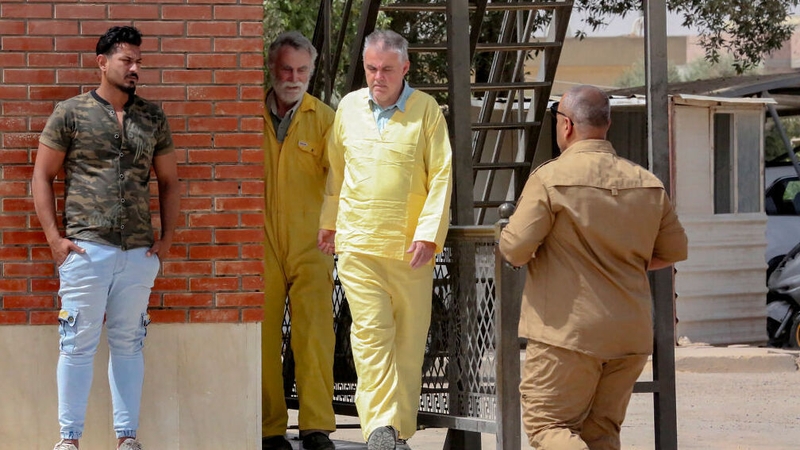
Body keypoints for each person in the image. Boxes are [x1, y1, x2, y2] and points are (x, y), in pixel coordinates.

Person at [499, 85, 688, 450]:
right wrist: (623, 260)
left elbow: (516, 249)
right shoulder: (647, 183)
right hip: (629, 335)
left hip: (567, 334)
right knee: (601, 434)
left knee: (547, 426)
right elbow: (673, 250)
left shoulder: (549, 178)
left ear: (566, 125)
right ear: (608, 123)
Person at [31, 26, 179, 450]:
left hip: (137, 251)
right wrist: (55, 242)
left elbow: (169, 181)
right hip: (85, 248)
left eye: (139, 62)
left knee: (129, 346)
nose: (135, 69)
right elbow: (41, 176)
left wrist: (165, 241)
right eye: (126, 60)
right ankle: (68, 440)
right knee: (76, 344)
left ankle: (127, 438)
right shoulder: (70, 113)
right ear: (102, 62)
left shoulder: (152, 117)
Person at [318, 29, 453, 450]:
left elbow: (442, 175)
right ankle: (378, 427)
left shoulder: (426, 110)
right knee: (370, 336)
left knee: (409, 342)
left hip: (411, 249)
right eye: (371, 68)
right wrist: (330, 223)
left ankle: (397, 430)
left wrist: (429, 235)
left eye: (387, 70)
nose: (378, 77)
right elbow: (336, 174)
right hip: (358, 244)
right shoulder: (349, 108)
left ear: (405, 68)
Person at [260, 31, 337, 450]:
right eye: (286, 69)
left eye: (302, 70)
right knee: (264, 336)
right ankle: (271, 428)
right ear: (272, 68)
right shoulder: (248, 114)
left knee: (314, 335)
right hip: (263, 241)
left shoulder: (325, 119)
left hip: (314, 243)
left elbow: (342, 182)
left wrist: (336, 227)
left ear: (311, 71)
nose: (293, 77)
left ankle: (317, 427)